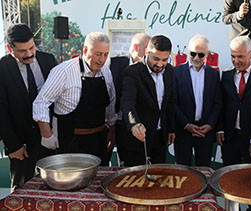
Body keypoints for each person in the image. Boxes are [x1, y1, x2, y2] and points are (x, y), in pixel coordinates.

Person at [33, 32, 117, 166]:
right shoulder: (63, 71)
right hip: (69, 143)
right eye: (97, 54)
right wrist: (47, 135)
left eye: (105, 55)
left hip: (98, 142)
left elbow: (110, 104)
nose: (102, 59)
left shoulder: (106, 72)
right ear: (85, 50)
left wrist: (112, 131)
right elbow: (41, 102)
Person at [0, 23, 57, 190]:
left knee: (52, 189)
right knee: (20, 190)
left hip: (49, 139)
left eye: (32, 47)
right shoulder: (2, 69)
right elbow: (1, 111)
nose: (29, 53)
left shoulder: (48, 60)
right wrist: (13, 146)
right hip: (20, 144)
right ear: (11, 49)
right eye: (22, 51)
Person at [118, 35, 175, 167]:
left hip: (159, 138)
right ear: (146, 52)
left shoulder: (170, 71)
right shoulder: (132, 72)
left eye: (164, 59)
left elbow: (169, 101)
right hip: (136, 140)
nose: (160, 64)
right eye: (156, 59)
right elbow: (127, 102)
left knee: (158, 181)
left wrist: (171, 128)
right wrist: (134, 124)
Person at [216, 36, 251, 167]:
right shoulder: (227, 75)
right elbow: (222, 105)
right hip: (229, 138)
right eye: (233, 56)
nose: (236, 61)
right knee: (228, 177)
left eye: (240, 56)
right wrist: (220, 129)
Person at [173, 34, 221, 166]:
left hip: (205, 132)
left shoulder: (214, 74)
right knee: (183, 174)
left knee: (204, 171)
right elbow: (173, 103)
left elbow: (217, 103)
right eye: (193, 53)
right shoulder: (176, 72)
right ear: (188, 51)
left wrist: (210, 125)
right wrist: (187, 125)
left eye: (201, 55)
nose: (196, 58)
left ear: (207, 54)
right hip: (183, 132)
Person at [109, 33, 150, 164]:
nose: (150, 53)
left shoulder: (152, 68)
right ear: (136, 47)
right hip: (121, 126)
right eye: (147, 49)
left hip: (146, 127)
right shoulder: (114, 64)